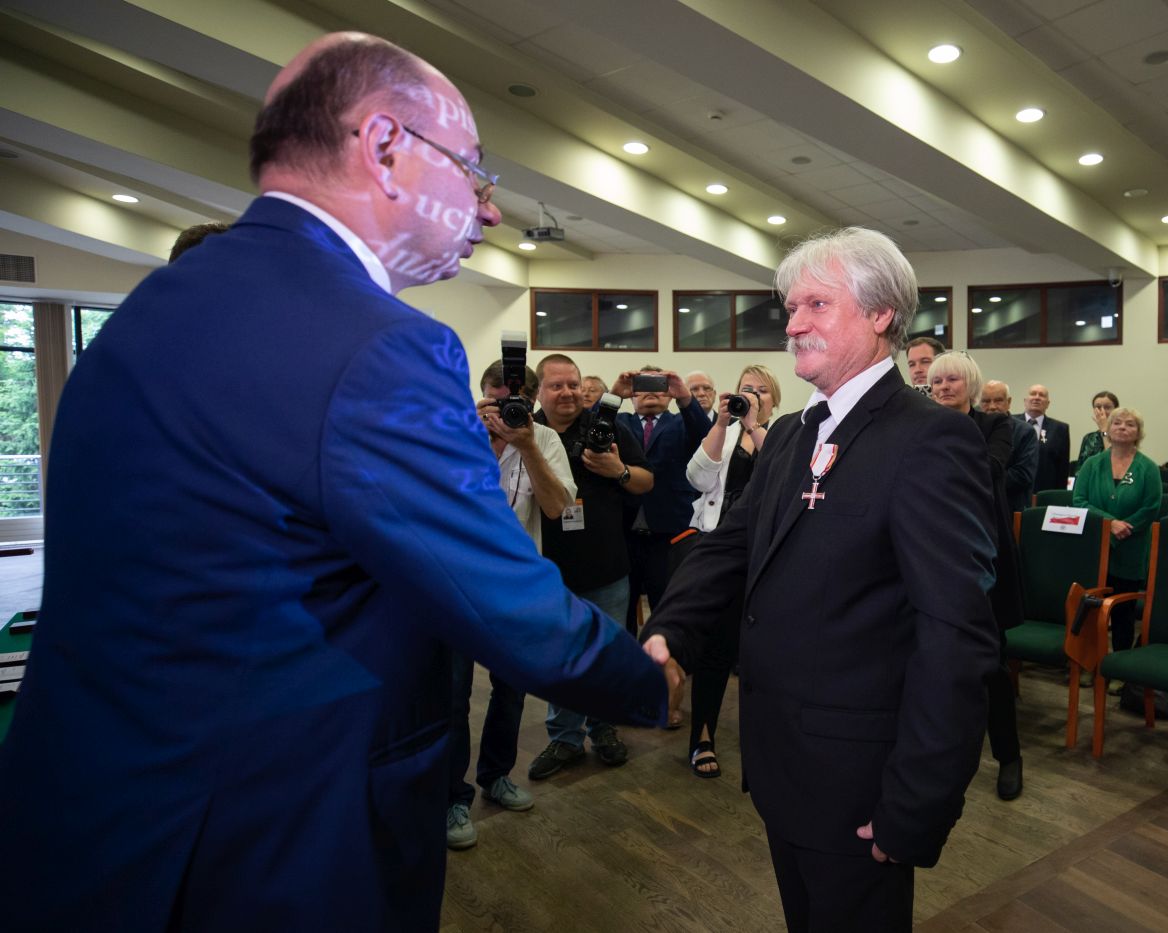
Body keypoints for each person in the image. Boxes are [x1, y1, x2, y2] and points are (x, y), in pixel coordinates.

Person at [0, 33, 668, 933]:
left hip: (98, 819)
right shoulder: (386, 346)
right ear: (385, 146)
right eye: (474, 172)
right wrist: (649, 678)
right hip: (268, 838)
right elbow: (505, 603)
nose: (491, 209)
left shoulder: (153, 307)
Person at [643, 227, 999, 932]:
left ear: (881, 313)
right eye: (790, 307)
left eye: (816, 304)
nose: (793, 324)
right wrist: (668, 630)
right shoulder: (790, 434)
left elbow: (957, 637)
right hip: (782, 765)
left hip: (860, 785)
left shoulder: (930, 438)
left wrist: (918, 803)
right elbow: (730, 545)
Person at [445, 360, 576, 849]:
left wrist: (526, 446)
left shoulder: (544, 439)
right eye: (497, 403)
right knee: (453, 695)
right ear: (481, 397)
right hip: (456, 586)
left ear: (530, 401)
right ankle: (451, 797)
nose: (506, 413)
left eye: (514, 404)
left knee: (512, 690)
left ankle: (496, 776)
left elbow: (557, 507)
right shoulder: (454, 436)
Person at [528, 354, 656, 779]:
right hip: (548, 571)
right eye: (556, 385)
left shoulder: (607, 426)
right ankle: (565, 738)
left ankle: (603, 730)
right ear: (539, 391)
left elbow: (646, 481)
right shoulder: (527, 432)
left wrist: (619, 471)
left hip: (607, 566)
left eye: (573, 384)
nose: (567, 393)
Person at [928, 351, 1025, 802]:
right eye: (937, 381)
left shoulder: (994, 425)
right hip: (934, 556)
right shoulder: (923, 424)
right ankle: (943, 756)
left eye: (952, 380)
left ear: (970, 384)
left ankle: (1009, 756)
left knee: (993, 666)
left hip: (984, 556)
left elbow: (990, 469)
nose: (944, 387)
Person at [681, 364, 780, 777]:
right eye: (745, 389)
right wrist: (722, 424)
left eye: (761, 391)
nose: (752, 396)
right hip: (723, 550)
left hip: (769, 556)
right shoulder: (723, 432)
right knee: (715, 650)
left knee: (768, 652)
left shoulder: (784, 434)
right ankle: (702, 736)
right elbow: (697, 478)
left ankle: (770, 738)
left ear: (775, 400)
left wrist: (754, 425)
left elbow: (786, 474)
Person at [614, 365, 711, 636]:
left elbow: (706, 435)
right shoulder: (620, 422)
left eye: (657, 386)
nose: (650, 392)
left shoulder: (681, 422)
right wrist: (614, 394)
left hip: (670, 533)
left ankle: (666, 655)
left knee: (668, 606)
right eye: (642, 386)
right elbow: (590, 428)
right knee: (622, 608)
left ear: (668, 394)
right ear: (632, 394)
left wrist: (685, 396)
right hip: (624, 531)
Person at [1072, 407, 1162, 676]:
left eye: (1130, 424)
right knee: (1091, 610)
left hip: (1131, 548)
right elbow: (1079, 501)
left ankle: (1120, 670)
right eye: (1117, 423)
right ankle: (1089, 664)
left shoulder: (1148, 468)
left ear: (1139, 432)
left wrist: (1126, 527)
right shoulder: (1092, 464)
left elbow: (1151, 507)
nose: (1123, 427)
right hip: (1096, 548)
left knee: (1123, 612)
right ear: (1108, 430)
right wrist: (1110, 523)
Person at [981, 379, 1038, 512]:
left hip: (1010, 508)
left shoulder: (1025, 432)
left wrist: (980, 479)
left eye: (998, 400)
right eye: (986, 401)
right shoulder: (972, 428)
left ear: (1009, 402)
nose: (992, 406)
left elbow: (1023, 475)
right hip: (979, 507)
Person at [1019, 384, 1071, 495]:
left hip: (1044, 493)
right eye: (1033, 394)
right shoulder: (1010, 423)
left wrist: (1059, 497)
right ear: (1025, 401)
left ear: (1048, 403)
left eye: (1042, 395)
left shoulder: (1060, 429)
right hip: (1014, 492)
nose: (1037, 397)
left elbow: (1063, 469)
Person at [1075, 390, 1120, 472]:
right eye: (1098, 407)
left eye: (1107, 407)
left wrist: (1104, 430)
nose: (1102, 411)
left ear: (1116, 410)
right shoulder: (1089, 438)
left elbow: (1114, 460)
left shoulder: (1123, 435)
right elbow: (1080, 469)